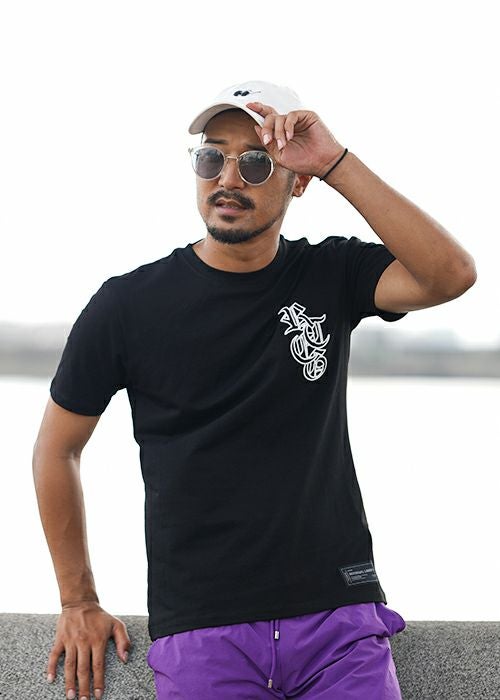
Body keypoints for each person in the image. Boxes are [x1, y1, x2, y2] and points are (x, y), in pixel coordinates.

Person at [33, 79, 476, 700]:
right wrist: (78, 600)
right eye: (212, 158)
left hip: (338, 620)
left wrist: (335, 162)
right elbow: (57, 448)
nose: (228, 179)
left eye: (257, 162)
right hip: (202, 628)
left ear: (297, 181)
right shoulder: (126, 306)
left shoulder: (331, 274)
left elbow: (450, 274)